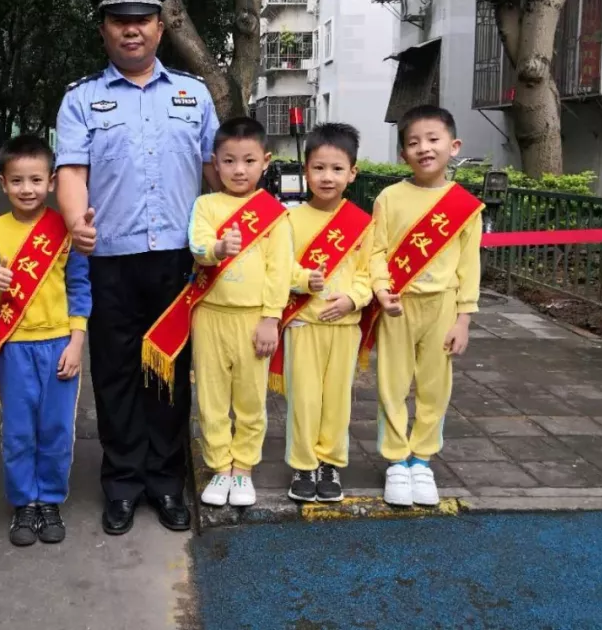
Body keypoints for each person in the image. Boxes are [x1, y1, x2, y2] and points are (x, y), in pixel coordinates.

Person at [55, 0, 219, 535]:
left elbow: (217, 172)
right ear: (104, 28)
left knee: (170, 372)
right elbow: (71, 171)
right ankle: (123, 483)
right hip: (109, 261)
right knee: (117, 374)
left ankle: (167, 482)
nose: (132, 30)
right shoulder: (81, 99)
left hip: (178, 259)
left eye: (142, 20)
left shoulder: (193, 94)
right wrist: (75, 222)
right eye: (120, 20)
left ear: (160, 27)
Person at [0, 134, 91, 547]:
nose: (27, 189)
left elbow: (79, 287)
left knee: (56, 428)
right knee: (19, 431)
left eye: (36, 180)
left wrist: (76, 343)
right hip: (13, 347)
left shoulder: (64, 229)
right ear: (3, 183)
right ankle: (23, 502)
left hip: (58, 344)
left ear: (51, 182)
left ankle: (50, 500)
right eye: (17, 181)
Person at [369, 105, 483, 508]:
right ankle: (396, 460)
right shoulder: (389, 197)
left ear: (454, 146)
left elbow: (469, 266)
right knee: (392, 384)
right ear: (403, 153)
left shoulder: (465, 206)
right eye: (414, 142)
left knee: (435, 387)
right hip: (398, 306)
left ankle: (422, 459)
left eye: (433, 139)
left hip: (443, 307)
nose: (424, 148)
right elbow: (376, 251)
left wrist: (464, 319)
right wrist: (381, 288)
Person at [187, 117, 292, 508]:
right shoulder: (206, 205)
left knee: (250, 399)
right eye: (229, 161)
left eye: (249, 161)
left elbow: (280, 271)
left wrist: (271, 319)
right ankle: (219, 466)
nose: (239, 170)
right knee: (211, 397)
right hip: (210, 315)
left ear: (265, 161)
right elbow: (198, 246)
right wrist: (216, 249)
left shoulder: (274, 213)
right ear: (215, 163)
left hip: (253, 319)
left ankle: (244, 467)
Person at [280, 123, 373, 504]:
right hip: (303, 323)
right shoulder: (289, 220)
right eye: (318, 168)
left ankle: (330, 462)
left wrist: (353, 298)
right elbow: (280, 268)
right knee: (304, 398)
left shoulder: (362, 223)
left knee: (337, 400)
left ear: (352, 173)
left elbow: (369, 272)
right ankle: (303, 464)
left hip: (345, 326)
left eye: (337, 169)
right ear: (306, 171)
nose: (327, 177)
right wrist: (303, 280)